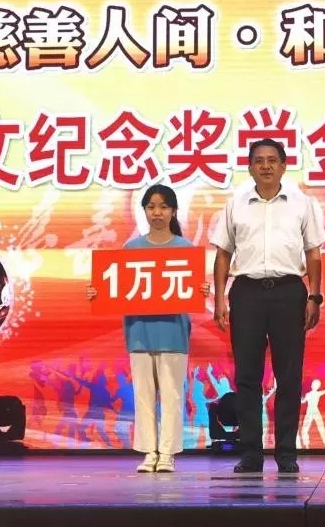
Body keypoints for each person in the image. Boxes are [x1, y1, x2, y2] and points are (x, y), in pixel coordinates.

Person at [209, 138, 325, 474]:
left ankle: (286, 453)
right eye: (259, 160)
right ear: (249, 167)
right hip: (246, 292)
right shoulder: (236, 204)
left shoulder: (302, 203)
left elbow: (313, 253)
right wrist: (219, 298)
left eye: (272, 160)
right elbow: (223, 254)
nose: (265, 166)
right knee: (247, 376)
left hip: (289, 292)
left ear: (283, 166)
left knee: (289, 376)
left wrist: (314, 296)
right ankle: (251, 453)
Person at [86, 184, 209, 473]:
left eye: (164, 207)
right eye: (151, 206)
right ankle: (149, 452)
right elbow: (116, 286)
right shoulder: (131, 249)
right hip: (139, 331)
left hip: (173, 333)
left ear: (173, 211)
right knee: (143, 396)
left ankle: (167, 453)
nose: (157, 212)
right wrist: (97, 292)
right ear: (144, 211)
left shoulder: (185, 249)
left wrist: (201, 289)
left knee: (172, 395)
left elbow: (192, 290)